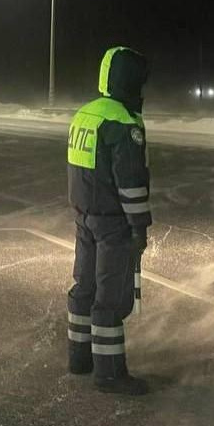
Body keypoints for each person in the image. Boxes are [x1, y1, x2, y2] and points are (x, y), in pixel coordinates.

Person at [65, 46, 152, 395]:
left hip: (84, 217)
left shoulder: (85, 114)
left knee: (83, 289)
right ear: (129, 80)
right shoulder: (123, 123)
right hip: (114, 223)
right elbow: (131, 183)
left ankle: (79, 358)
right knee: (111, 298)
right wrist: (139, 227)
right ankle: (110, 373)